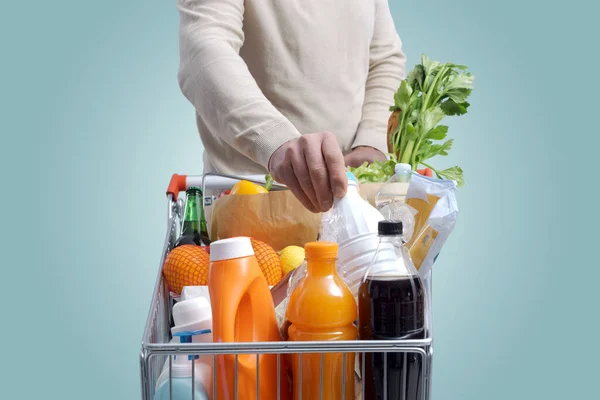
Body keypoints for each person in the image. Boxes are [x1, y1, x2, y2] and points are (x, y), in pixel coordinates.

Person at [177, 0, 406, 213]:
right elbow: (204, 50)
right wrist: (275, 141)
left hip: (354, 201)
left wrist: (372, 140)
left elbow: (384, 59)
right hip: (251, 203)